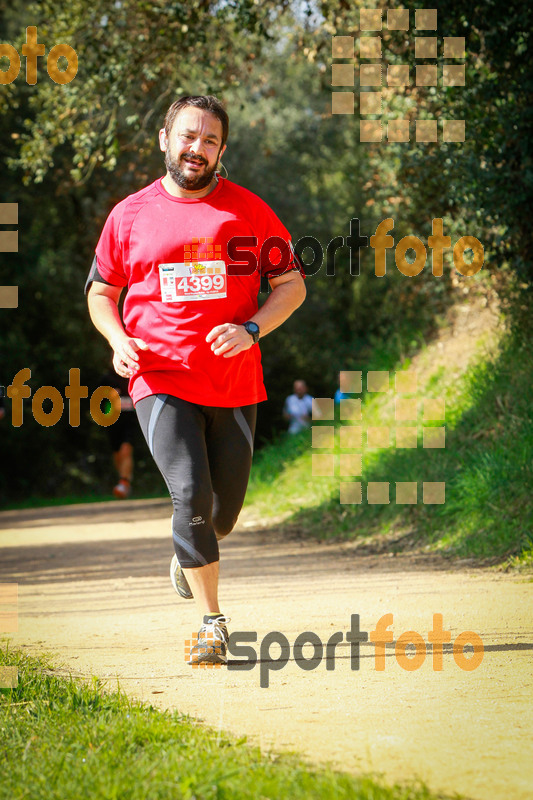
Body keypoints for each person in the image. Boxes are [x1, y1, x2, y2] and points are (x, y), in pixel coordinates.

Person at [86, 95, 306, 666]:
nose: (197, 149)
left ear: (222, 149)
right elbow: (101, 293)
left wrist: (253, 329)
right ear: (165, 138)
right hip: (159, 377)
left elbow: (291, 286)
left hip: (234, 381)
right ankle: (213, 622)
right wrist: (118, 340)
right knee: (189, 494)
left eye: (209, 140)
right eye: (188, 136)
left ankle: (189, 548)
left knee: (220, 512)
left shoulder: (249, 213)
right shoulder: (129, 215)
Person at [99, 367, 136, 498]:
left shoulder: (132, 375)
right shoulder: (106, 379)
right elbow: (100, 401)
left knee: (126, 449)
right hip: (113, 421)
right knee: (117, 453)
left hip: (130, 420)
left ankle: (124, 482)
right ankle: (124, 481)